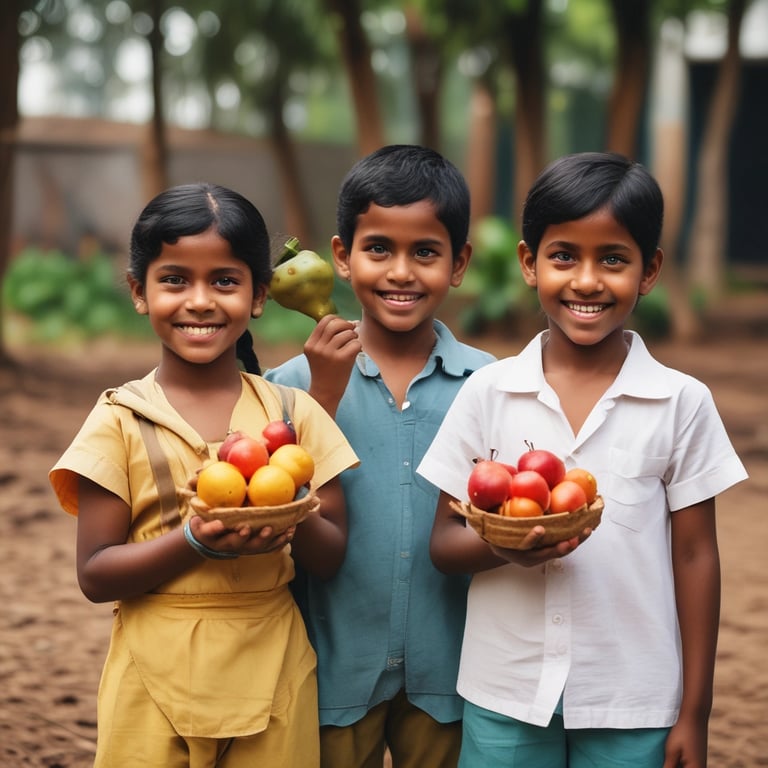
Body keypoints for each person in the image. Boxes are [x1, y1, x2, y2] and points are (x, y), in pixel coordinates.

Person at [417, 152, 748, 768]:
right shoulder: (487, 393)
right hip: (506, 691)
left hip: (635, 698)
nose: (587, 281)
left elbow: (696, 554)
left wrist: (694, 712)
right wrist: (506, 547)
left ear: (649, 271)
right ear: (528, 263)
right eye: (564, 255)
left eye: (613, 259)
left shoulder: (682, 402)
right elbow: (443, 541)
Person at [49, 182, 359, 768]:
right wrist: (196, 541)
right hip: (150, 679)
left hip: (274, 668)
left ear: (259, 295)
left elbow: (331, 554)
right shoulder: (119, 418)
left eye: (224, 280)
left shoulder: (292, 414)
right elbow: (95, 574)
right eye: (174, 280)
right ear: (139, 293)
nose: (200, 301)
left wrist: (291, 512)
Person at [265, 144, 496, 768]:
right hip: (331, 671)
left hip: (454, 675)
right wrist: (324, 396)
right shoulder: (284, 384)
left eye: (425, 251)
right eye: (378, 249)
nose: (401, 271)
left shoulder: (494, 385)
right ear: (342, 257)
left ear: (459, 263)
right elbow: (266, 490)